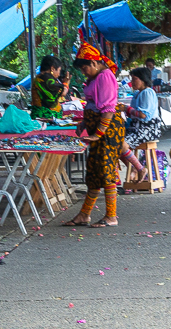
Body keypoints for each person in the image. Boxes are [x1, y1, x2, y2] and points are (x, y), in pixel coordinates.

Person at [62, 43, 125, 228]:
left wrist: (98, 133)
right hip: (97, 130)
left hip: (108, 130)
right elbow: (91, 104)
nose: (84, 72)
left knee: (106, 171)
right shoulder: (95, 77)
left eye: (85, 68)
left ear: (94, 63)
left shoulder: (105, 76)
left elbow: (107, 109)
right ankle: (84, 215)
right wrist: (84, 122)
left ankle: (111, 216)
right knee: (94, 173)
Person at [116, 67, 160, 183]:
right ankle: (135, 169)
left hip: (147, 128)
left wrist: (127, 108)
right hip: (136, 127)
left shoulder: (147, 93)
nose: (132, 82)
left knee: (121, 145)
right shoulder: (137, 94)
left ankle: (139, 169)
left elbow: (143, 115)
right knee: (114, 143)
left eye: (135, 79)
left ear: (143, 80)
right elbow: (134, 113)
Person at [30, 55, 70, 120]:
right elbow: (63, 92)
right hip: (45, 116)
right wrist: (66, 83)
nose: (59, 74)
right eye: (59, 70)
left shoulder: (42, 77)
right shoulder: (45, 79)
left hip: (47, 116)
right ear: (52, 68)